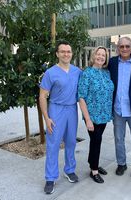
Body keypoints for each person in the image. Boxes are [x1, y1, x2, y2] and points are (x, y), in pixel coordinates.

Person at [39, 41, 81, 194]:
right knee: (53, 144)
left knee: (71, 142)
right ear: (57, 54)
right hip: (56, 110)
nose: (66, 54)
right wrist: (46, 117)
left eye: (68, 51)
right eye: (62, 51)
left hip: (72, 109)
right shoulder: (51, 73)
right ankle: (50, 177)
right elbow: (42, 96)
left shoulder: (77, 71)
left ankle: (69, 170)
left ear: (72, 53)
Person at [108, 37, 131, 178]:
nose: (124, 49)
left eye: (127, 46)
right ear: (118, 48)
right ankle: (121, 163)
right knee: (118, 138)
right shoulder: (111, 63)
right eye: (121, 46)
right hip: (118, 109)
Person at [78, 46, 114, 183]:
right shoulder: (87, 73)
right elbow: (81, 97)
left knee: (96, 141)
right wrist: (87, 119)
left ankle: (93, 162)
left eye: (103, 55)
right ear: (94, 56)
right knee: (96, 141)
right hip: (92, 116)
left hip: (104, 115)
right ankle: (94, 170)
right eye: (98, 54)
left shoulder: (106, 73)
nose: (100, 57)